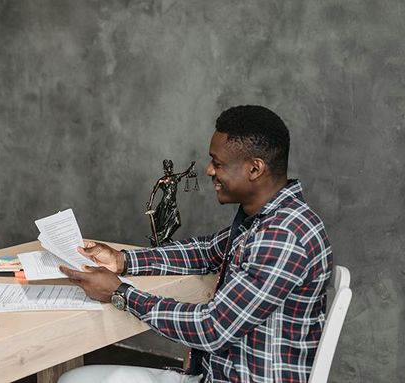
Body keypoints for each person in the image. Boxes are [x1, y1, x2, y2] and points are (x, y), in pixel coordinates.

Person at [59, 105, 332, 382]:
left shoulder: (283, 236)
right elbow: (205, 251)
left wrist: (121, 293)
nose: (209, 169)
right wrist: (123, 260)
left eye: (219, 163)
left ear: (254, 168)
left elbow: (212, 328)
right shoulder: (266, 220)